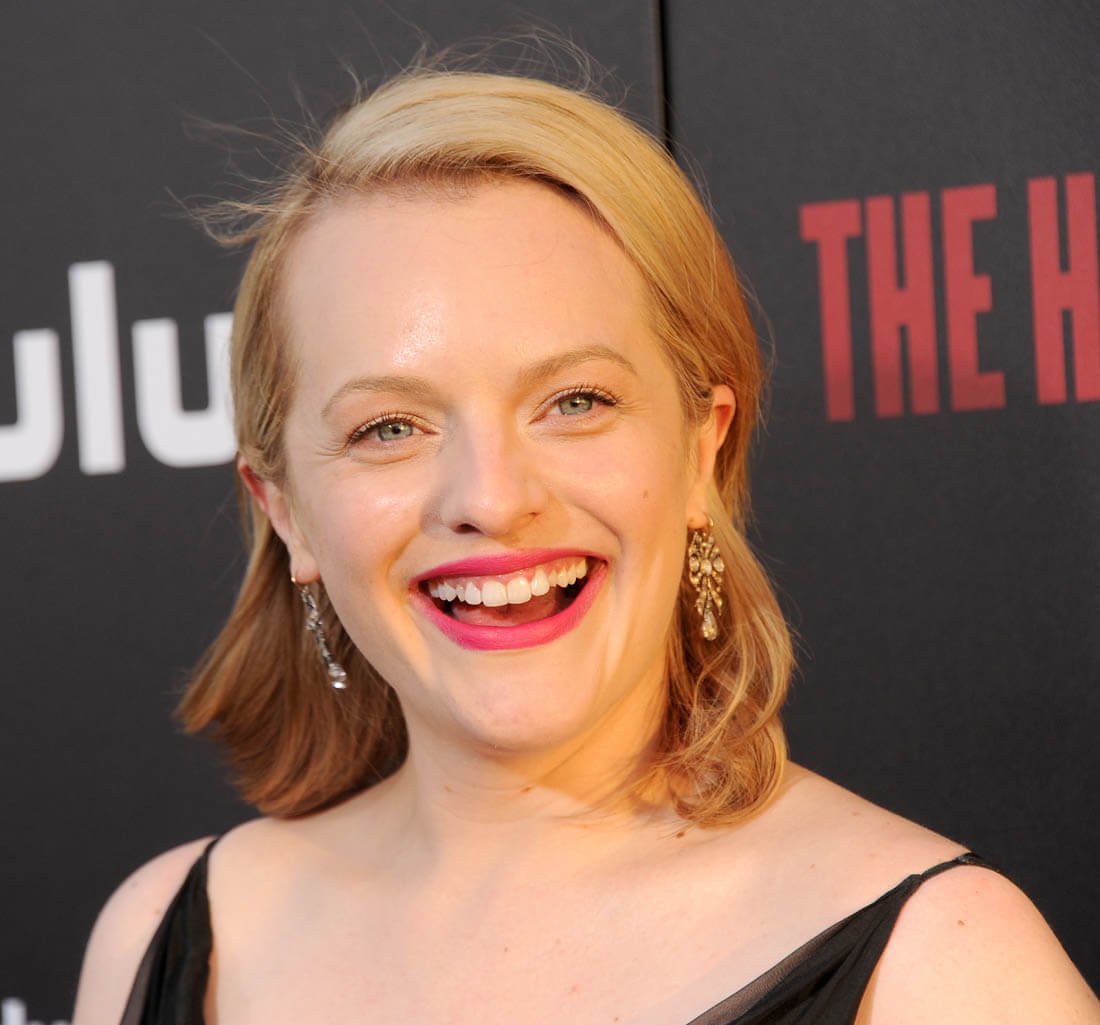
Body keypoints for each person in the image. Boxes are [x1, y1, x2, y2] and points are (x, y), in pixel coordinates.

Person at [72, 66, 1099, 1025]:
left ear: (700, 451)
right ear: (286, 510)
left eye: (574, 401)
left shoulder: (947, 967)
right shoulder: (162, 935)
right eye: (389, 426)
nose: (490, 498)